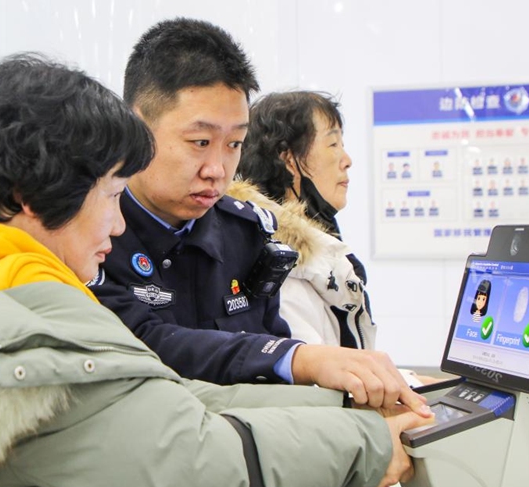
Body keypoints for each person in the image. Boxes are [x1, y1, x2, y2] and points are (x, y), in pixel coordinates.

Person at [0, 53, 431, 487]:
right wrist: (369, 444)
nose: (119, 220)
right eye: (108, 194)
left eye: (234, 144)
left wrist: (343, 409)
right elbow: (200, 462)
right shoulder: (31, 341)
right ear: (26, 197)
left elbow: (169, 400)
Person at [90, 18, 429, 417]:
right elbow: (145, 343)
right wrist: (297, 358)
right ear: (136, 127)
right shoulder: (91, 234)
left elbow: (272, 382)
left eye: (234, 143)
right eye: (200, 142)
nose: (217, 168)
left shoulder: (247, 234)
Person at [234, 90, 431, 487]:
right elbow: (310, 389)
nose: (347, 160)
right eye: (333, 142)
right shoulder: (282, 267)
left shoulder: (316, 258)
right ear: (289, 159)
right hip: (326, 485)